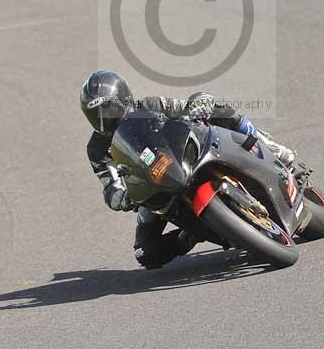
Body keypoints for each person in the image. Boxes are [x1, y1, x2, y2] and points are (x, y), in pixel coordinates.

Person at [80, 70, 297, 269]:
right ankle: (192, 235)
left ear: (123, 98)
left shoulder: (149, 106)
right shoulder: (97, 150)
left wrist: (197, 106)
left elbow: (182, 108)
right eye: (96, 114)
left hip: (183, 157)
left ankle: (268, 147)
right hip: (151, 188)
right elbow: (110, 184)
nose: (104, 118)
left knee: (216, 106)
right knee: (145, 253)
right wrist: (120, 198)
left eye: (108, 108)